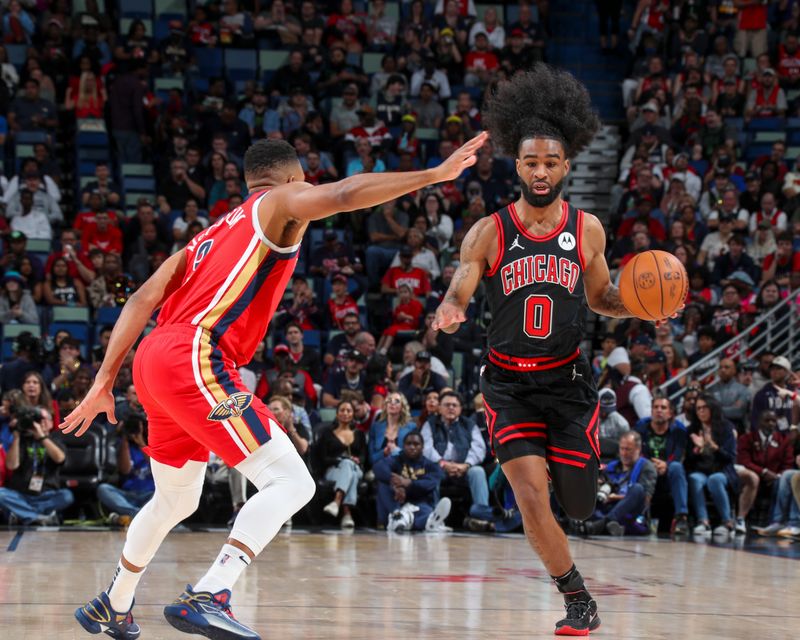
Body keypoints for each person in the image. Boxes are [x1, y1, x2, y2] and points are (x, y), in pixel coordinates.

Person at [61, 134, 487, 640]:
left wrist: (104, 379)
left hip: (155, 358)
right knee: (293, 482)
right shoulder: (280, 200)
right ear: (292, 176)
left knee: (176, 501)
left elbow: (138, 301)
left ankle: (114, 603)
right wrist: (431, 176)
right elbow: (347, 194)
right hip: (194, 354)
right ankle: (211, 591)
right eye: (305, 181)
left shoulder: (208, 235)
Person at [430, 66, 674, 636]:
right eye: (530, 162)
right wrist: (450, 307)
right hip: (508, 387)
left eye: (550, 162)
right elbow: (462, 283)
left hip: (568, 385)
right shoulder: (488, 232)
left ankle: (576, 494)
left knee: (581, 504)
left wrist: (641, 306)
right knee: (530, 497)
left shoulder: (588, 229)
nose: (540, 172)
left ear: (566, 167)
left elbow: (602, 297)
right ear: (517, 166)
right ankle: (578, 599)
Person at [0, 407, 73, 526]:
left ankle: (23, 514)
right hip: (21, 494)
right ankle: (39, 517)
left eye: (44, 419)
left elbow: (60, 459)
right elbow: (11, 465)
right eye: (38, 420)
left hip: (46, 495)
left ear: (51, 423)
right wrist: (17, 437)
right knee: (1, 494)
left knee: (67, 496)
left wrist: (42, 437)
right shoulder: (23, 440)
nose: (41, 423)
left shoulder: (56, 439)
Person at [374, 430, 452, 532]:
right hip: (396, 503)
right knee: (383, 483)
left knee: (422, 508)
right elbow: (378, 467)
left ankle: (429, 521)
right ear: (403, 446)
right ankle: (397, 516)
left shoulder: (430, 465)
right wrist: (394, 483)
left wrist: (409, 483)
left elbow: (433, 481)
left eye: (416, 444)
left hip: (418, 503)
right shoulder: (397, 459)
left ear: (422, 447)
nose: (412, 447)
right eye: (409, 444)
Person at [685, 394, 738, 538]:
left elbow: (730, 457)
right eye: (698, 409)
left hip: (722, 470)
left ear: (712, 408)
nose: (701, 411)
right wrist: (697, 450)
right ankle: (703, 521)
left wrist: (713, 446)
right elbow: (688, 460)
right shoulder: (692, 430)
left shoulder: (726, 427)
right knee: (694, 478)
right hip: (702, 470)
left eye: (704, 408)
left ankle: (727, 522)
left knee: (714, 479)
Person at [635, 397, 690, 536]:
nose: (659, 410)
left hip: (668, 473)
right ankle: (641, 516)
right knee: (640, 466)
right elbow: (637, 452)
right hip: (647, 471)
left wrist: (666, 464)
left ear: (671, 413)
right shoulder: (641, 428)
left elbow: (678, 455)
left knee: (677, 467)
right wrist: (651, 465)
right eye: (656, 407)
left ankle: (681, 518)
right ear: (651, 410)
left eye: (663, 408)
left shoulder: (679, 431)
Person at [584, 432, 656, 536]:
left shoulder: (647, 467)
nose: (624, 453)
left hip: (632, 513)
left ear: (638, 449)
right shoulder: (612, 466)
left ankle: (604, 524)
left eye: (628, 449)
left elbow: (646, 499)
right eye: (622, 449)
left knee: (637, 489)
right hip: (606, 507)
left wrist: (615, 497)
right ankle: (606, 525)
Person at [97, 414, 155, 527]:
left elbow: (156, 468)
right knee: (103, 489)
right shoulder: (124, 446)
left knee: (163, 495)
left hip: (149, 496)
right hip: (127, 496)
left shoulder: (153, 446)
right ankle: (138, 514)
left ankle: (132, 516)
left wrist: (141, 443)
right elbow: (125, 470)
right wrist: (124, 438)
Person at [317, 400, 367, 529]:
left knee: (349, 465)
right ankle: (347, 514)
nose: (345, 413)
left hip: (356, 467)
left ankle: (337, 501)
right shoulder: (326, 434)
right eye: (342, 410)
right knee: (351, 472)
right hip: (333, 470)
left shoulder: (359, 434)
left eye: (349, 410)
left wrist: (357, 460)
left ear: (353, 414)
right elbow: (323, 458)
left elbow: (364, 456)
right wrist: (340, 460)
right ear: (337, 414)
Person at [368, 391, 416, 466]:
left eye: (396, 401)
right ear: (386, 405)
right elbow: (371, 459)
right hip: (380, 468)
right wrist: (383, 452)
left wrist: (395, 450)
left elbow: (413, 455)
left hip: (402, 469)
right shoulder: (375, 427)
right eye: (389, 400)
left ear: (402, 407)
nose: (392, 403)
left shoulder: (411, 428)